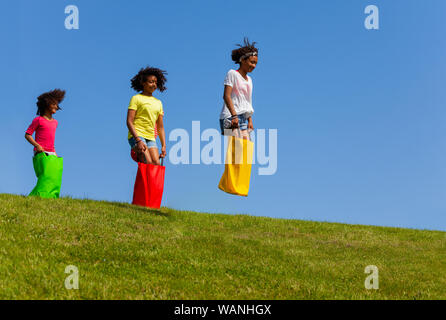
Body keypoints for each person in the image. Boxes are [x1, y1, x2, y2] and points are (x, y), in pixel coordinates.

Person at [127, 67, 167, 165]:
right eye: (151, 82)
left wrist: (163, 146)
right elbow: (129, 121)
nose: (154, 85)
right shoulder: (136, 99)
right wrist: (138, 140)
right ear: (143, 83)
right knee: (147, 162)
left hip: (150, 137)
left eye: (155, 82)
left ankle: (150, 181)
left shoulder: (159, 103)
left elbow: (160, 126)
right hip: (137, 135)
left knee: (156, 163)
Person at [220, 38, 258, 139]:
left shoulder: (249, 80)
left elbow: (247, 101)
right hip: (230, 116)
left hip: (243, 117)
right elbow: (226, 96)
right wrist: (234, 116)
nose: (254, 66)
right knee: (238, 146)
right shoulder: (232, 74)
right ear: (242, 60)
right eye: (252, 62)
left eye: (255, 63)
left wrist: (250, 120)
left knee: (246, 146)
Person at [25, 89, 65, 156]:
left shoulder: (55, 122)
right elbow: (27, 135)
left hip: (52, 153)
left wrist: (55, 154)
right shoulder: (38, 120)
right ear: (46, 104)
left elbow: (51, 141)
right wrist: (37, 146)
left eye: (57, 105)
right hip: (40, 152)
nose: (56, 106)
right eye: (54, 104)